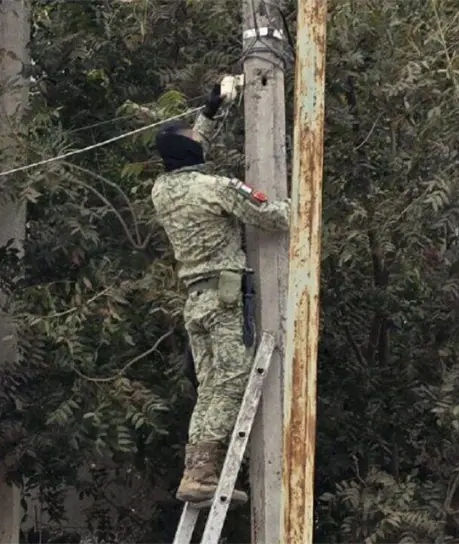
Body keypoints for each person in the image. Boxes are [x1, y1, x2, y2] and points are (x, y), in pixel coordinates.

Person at [150, 83, 290, 504]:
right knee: (230, 382)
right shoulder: (215, 189)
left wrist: (212, 111)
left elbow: (192, 148)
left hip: (196, 300)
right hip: (225, 300)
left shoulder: (163, 190)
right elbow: (275, 217)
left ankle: (196, 471)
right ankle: (203, 472)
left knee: (210, 385)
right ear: (187, 154)